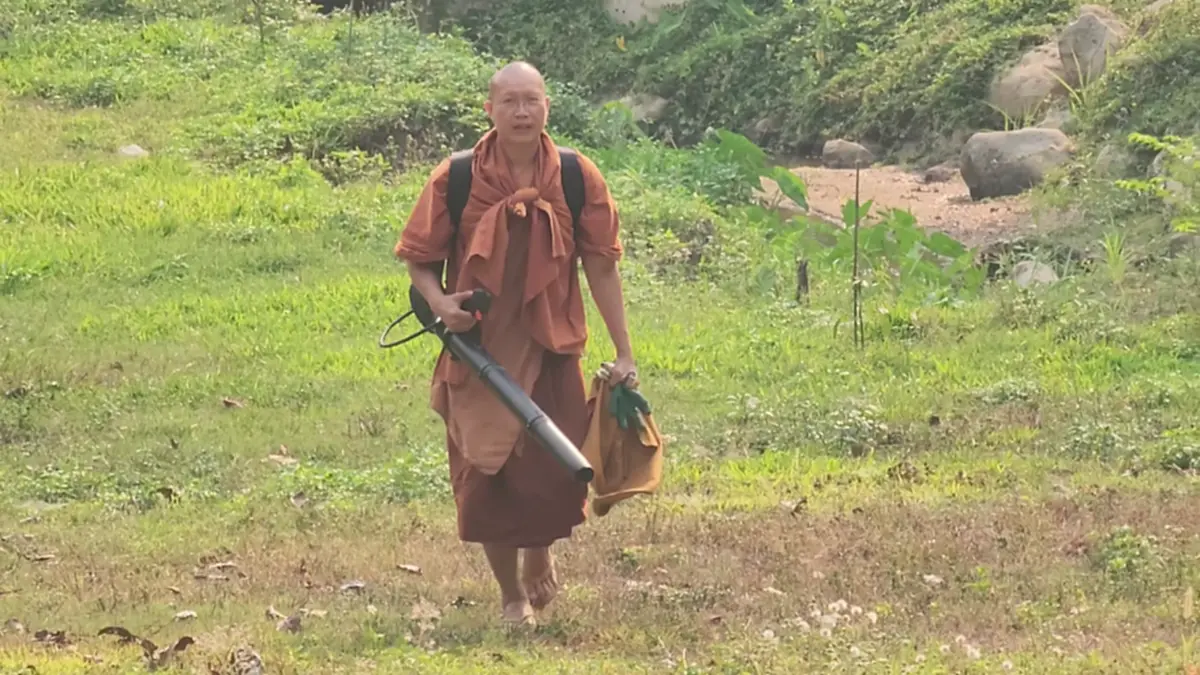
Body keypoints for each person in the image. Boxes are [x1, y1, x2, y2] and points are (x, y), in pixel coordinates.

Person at [392, 61, 638, 627]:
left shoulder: (575, 177)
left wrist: (624, 351)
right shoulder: (457, 177)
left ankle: (539, 549)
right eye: (510, 102)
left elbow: (602, 266)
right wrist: (441, 305)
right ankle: (511, 596)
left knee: (555, 470)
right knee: (487, 479)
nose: (522, 112)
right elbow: (418, 260)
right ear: (490, 110)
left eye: (532, 101)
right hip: (478, 352)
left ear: (547, 107)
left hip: (552, 345)